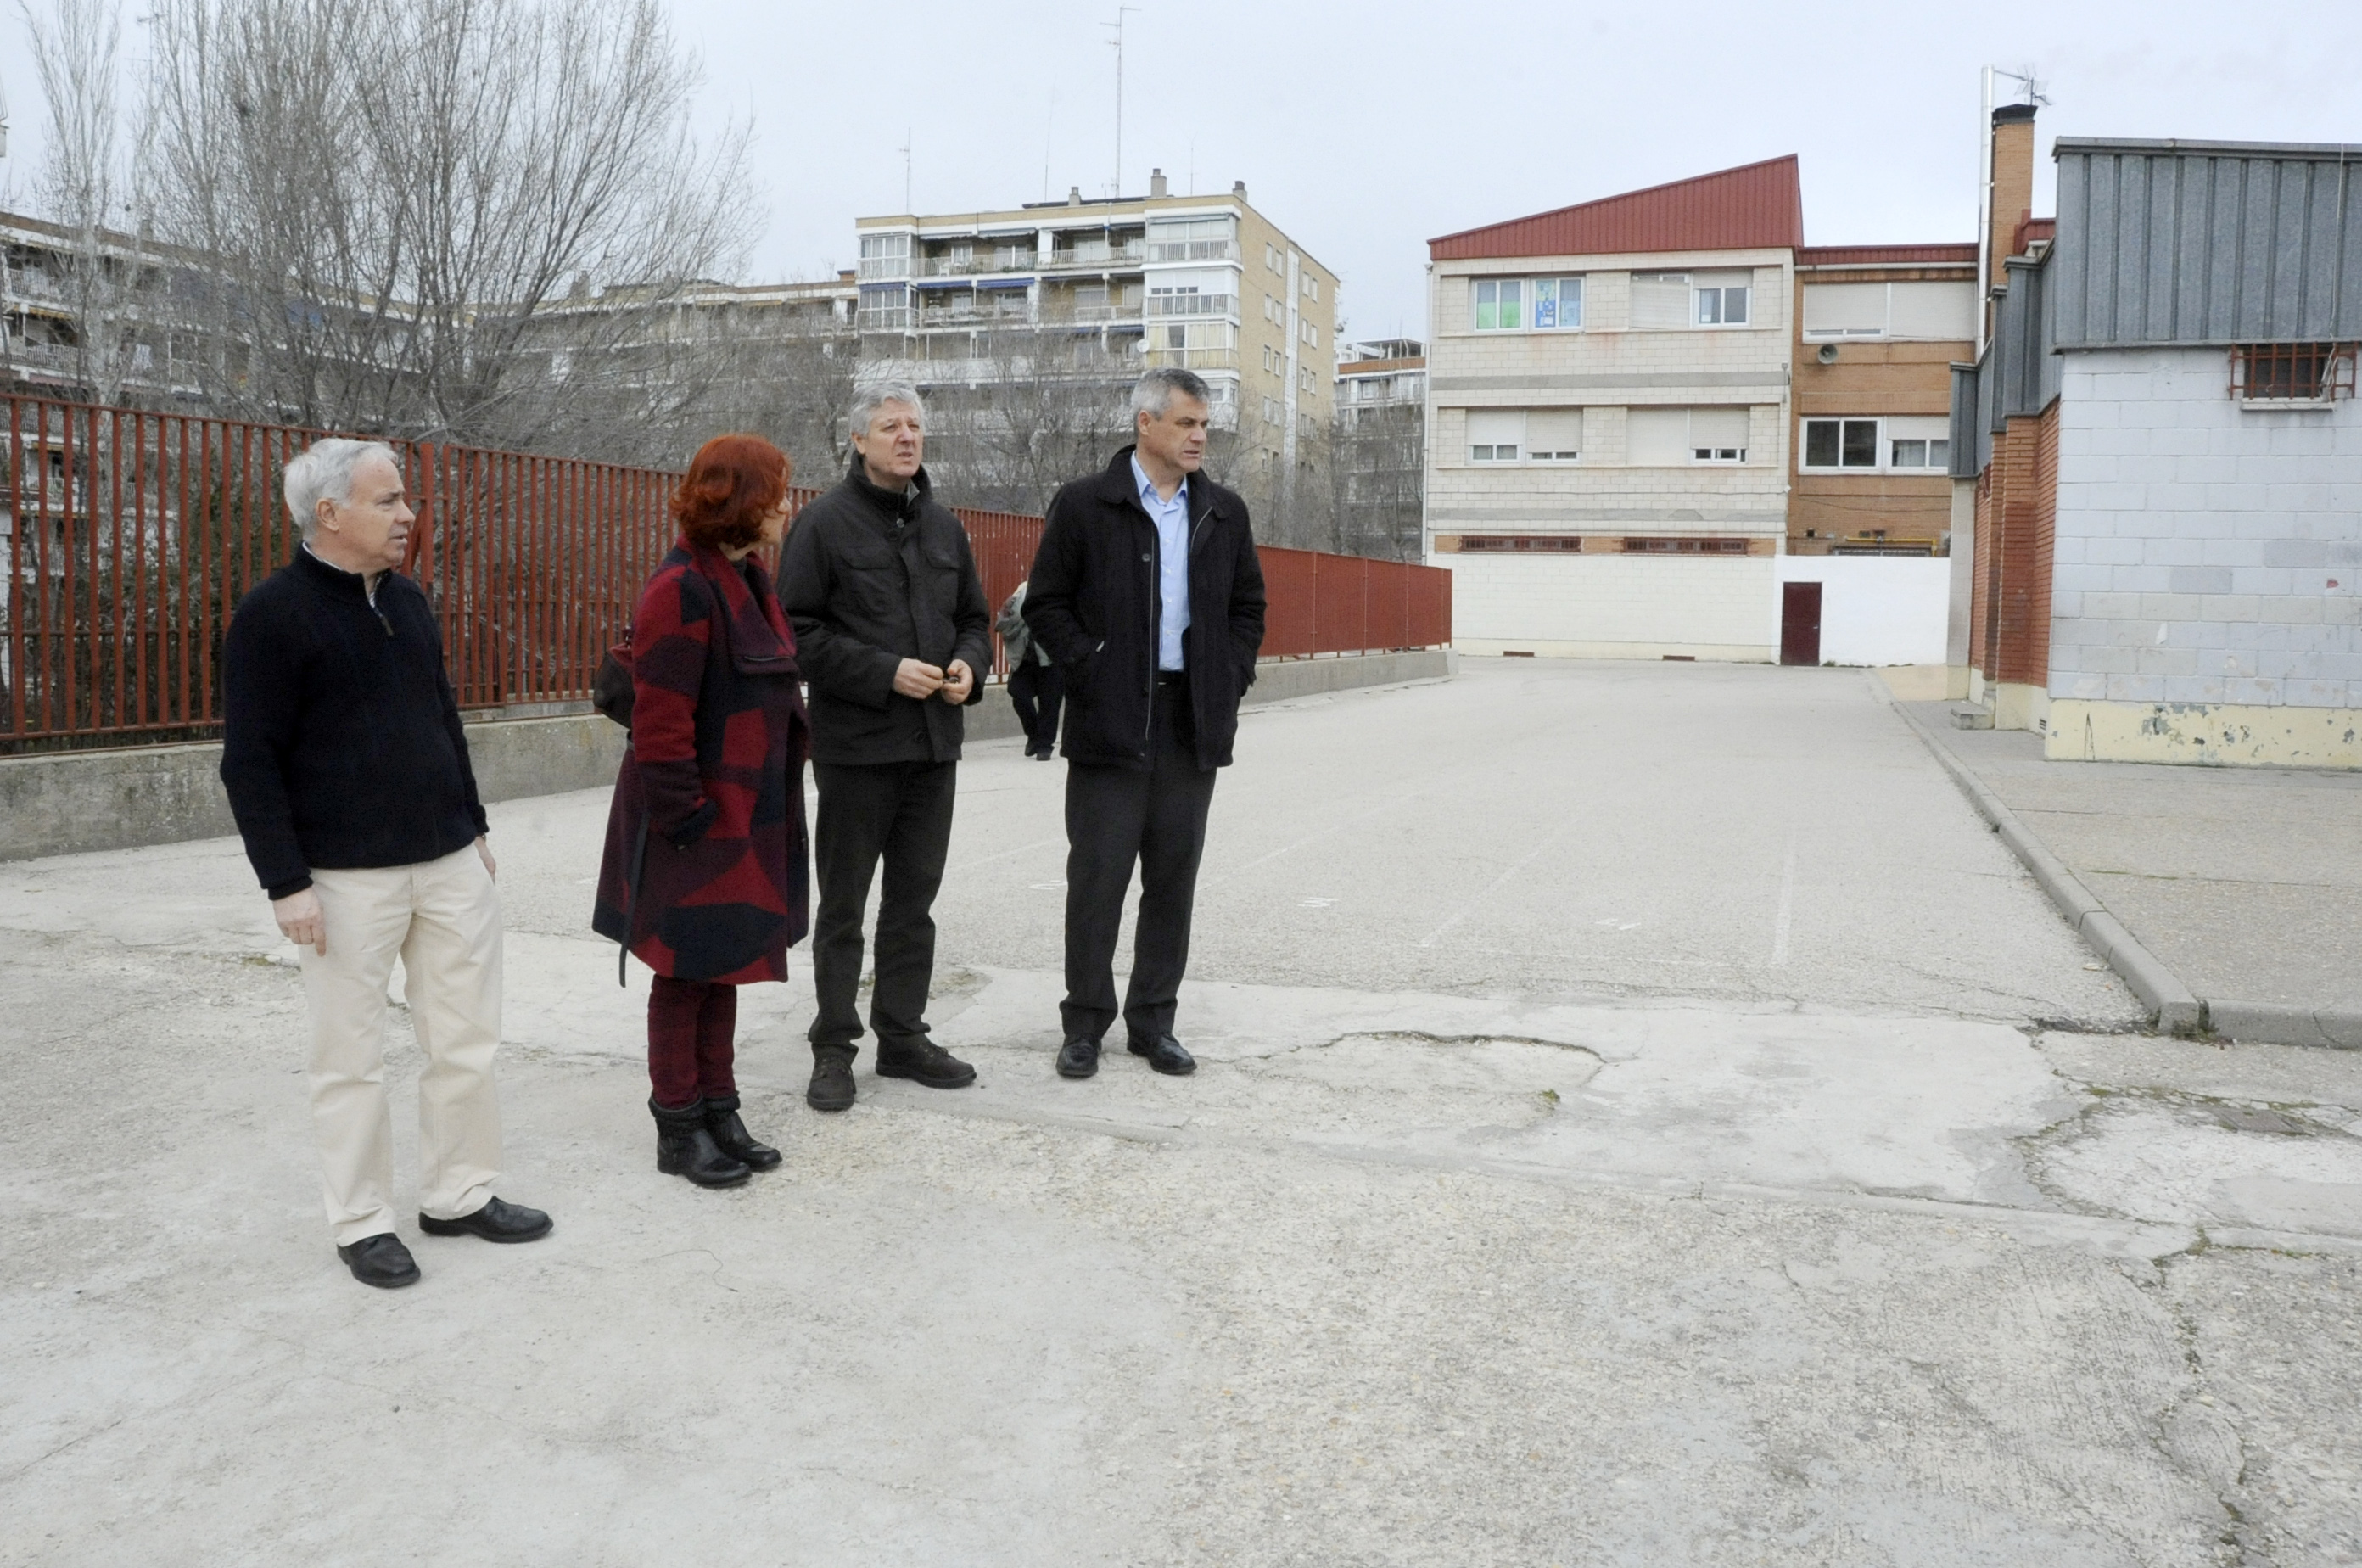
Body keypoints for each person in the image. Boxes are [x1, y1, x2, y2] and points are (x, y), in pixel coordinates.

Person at [221, 437, 551, 1291]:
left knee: (465, 1038)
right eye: (389, 501)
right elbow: (249, 762)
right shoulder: (272, 616)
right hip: (341, 879)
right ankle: (362, 1221)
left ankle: (459, 1194)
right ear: (329, 514)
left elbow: (442, 716)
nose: (408, 515)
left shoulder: (408, 600)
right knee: (350, 1057)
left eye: (405, 500)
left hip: (447, 862)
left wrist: (472, 824)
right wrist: (285, 882)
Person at [1023, 367, 1267, 1080]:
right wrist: (1089, 667)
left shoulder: (1223, 511)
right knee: (1097, 878)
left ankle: (1153, 1021)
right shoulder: (1084, 505)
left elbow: (1248, 607)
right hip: (1111, 721)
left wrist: (1231, 672)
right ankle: (1084, 1025)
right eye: (1187, 423)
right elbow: (1046, 604)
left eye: (1204, 426)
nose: (1199, 437)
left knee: (1172, 879)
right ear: (1146, 423)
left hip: (1192, 721)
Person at [592, 435, 809, 1189]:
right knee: (683, 977)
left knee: (723, 970)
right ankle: (678, 1127)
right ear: (744, 499)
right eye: (778, 490)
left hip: (743, 814)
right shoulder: (681, 587)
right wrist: (688, 822)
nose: (788, 503)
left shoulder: (747, 577)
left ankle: (721, 1107)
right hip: (693, 822)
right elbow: (661, 722)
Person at [775, 384, 993, 1112]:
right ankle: (834, 1047)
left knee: (913, 904)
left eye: (916, 426)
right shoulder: (823, 526)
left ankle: (902, 1037)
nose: (907, 437)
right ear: (858, 441)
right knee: (843, 906)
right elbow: (796, 633)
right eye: (890, 426)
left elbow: (974, 617)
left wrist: (970, 666)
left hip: (933, 748)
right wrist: (883, 672)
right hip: (858, 749)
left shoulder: (943, 528)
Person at [998, 578, 1064, 759]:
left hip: (1051, 660)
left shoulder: (1058, 593)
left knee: (1050, 703)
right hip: (1024, 661)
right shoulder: (1022, 591)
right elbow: (1005, 624)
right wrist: (1008, 614)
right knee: (1018, 693)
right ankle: (1034, 735)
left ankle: (1044, 746)